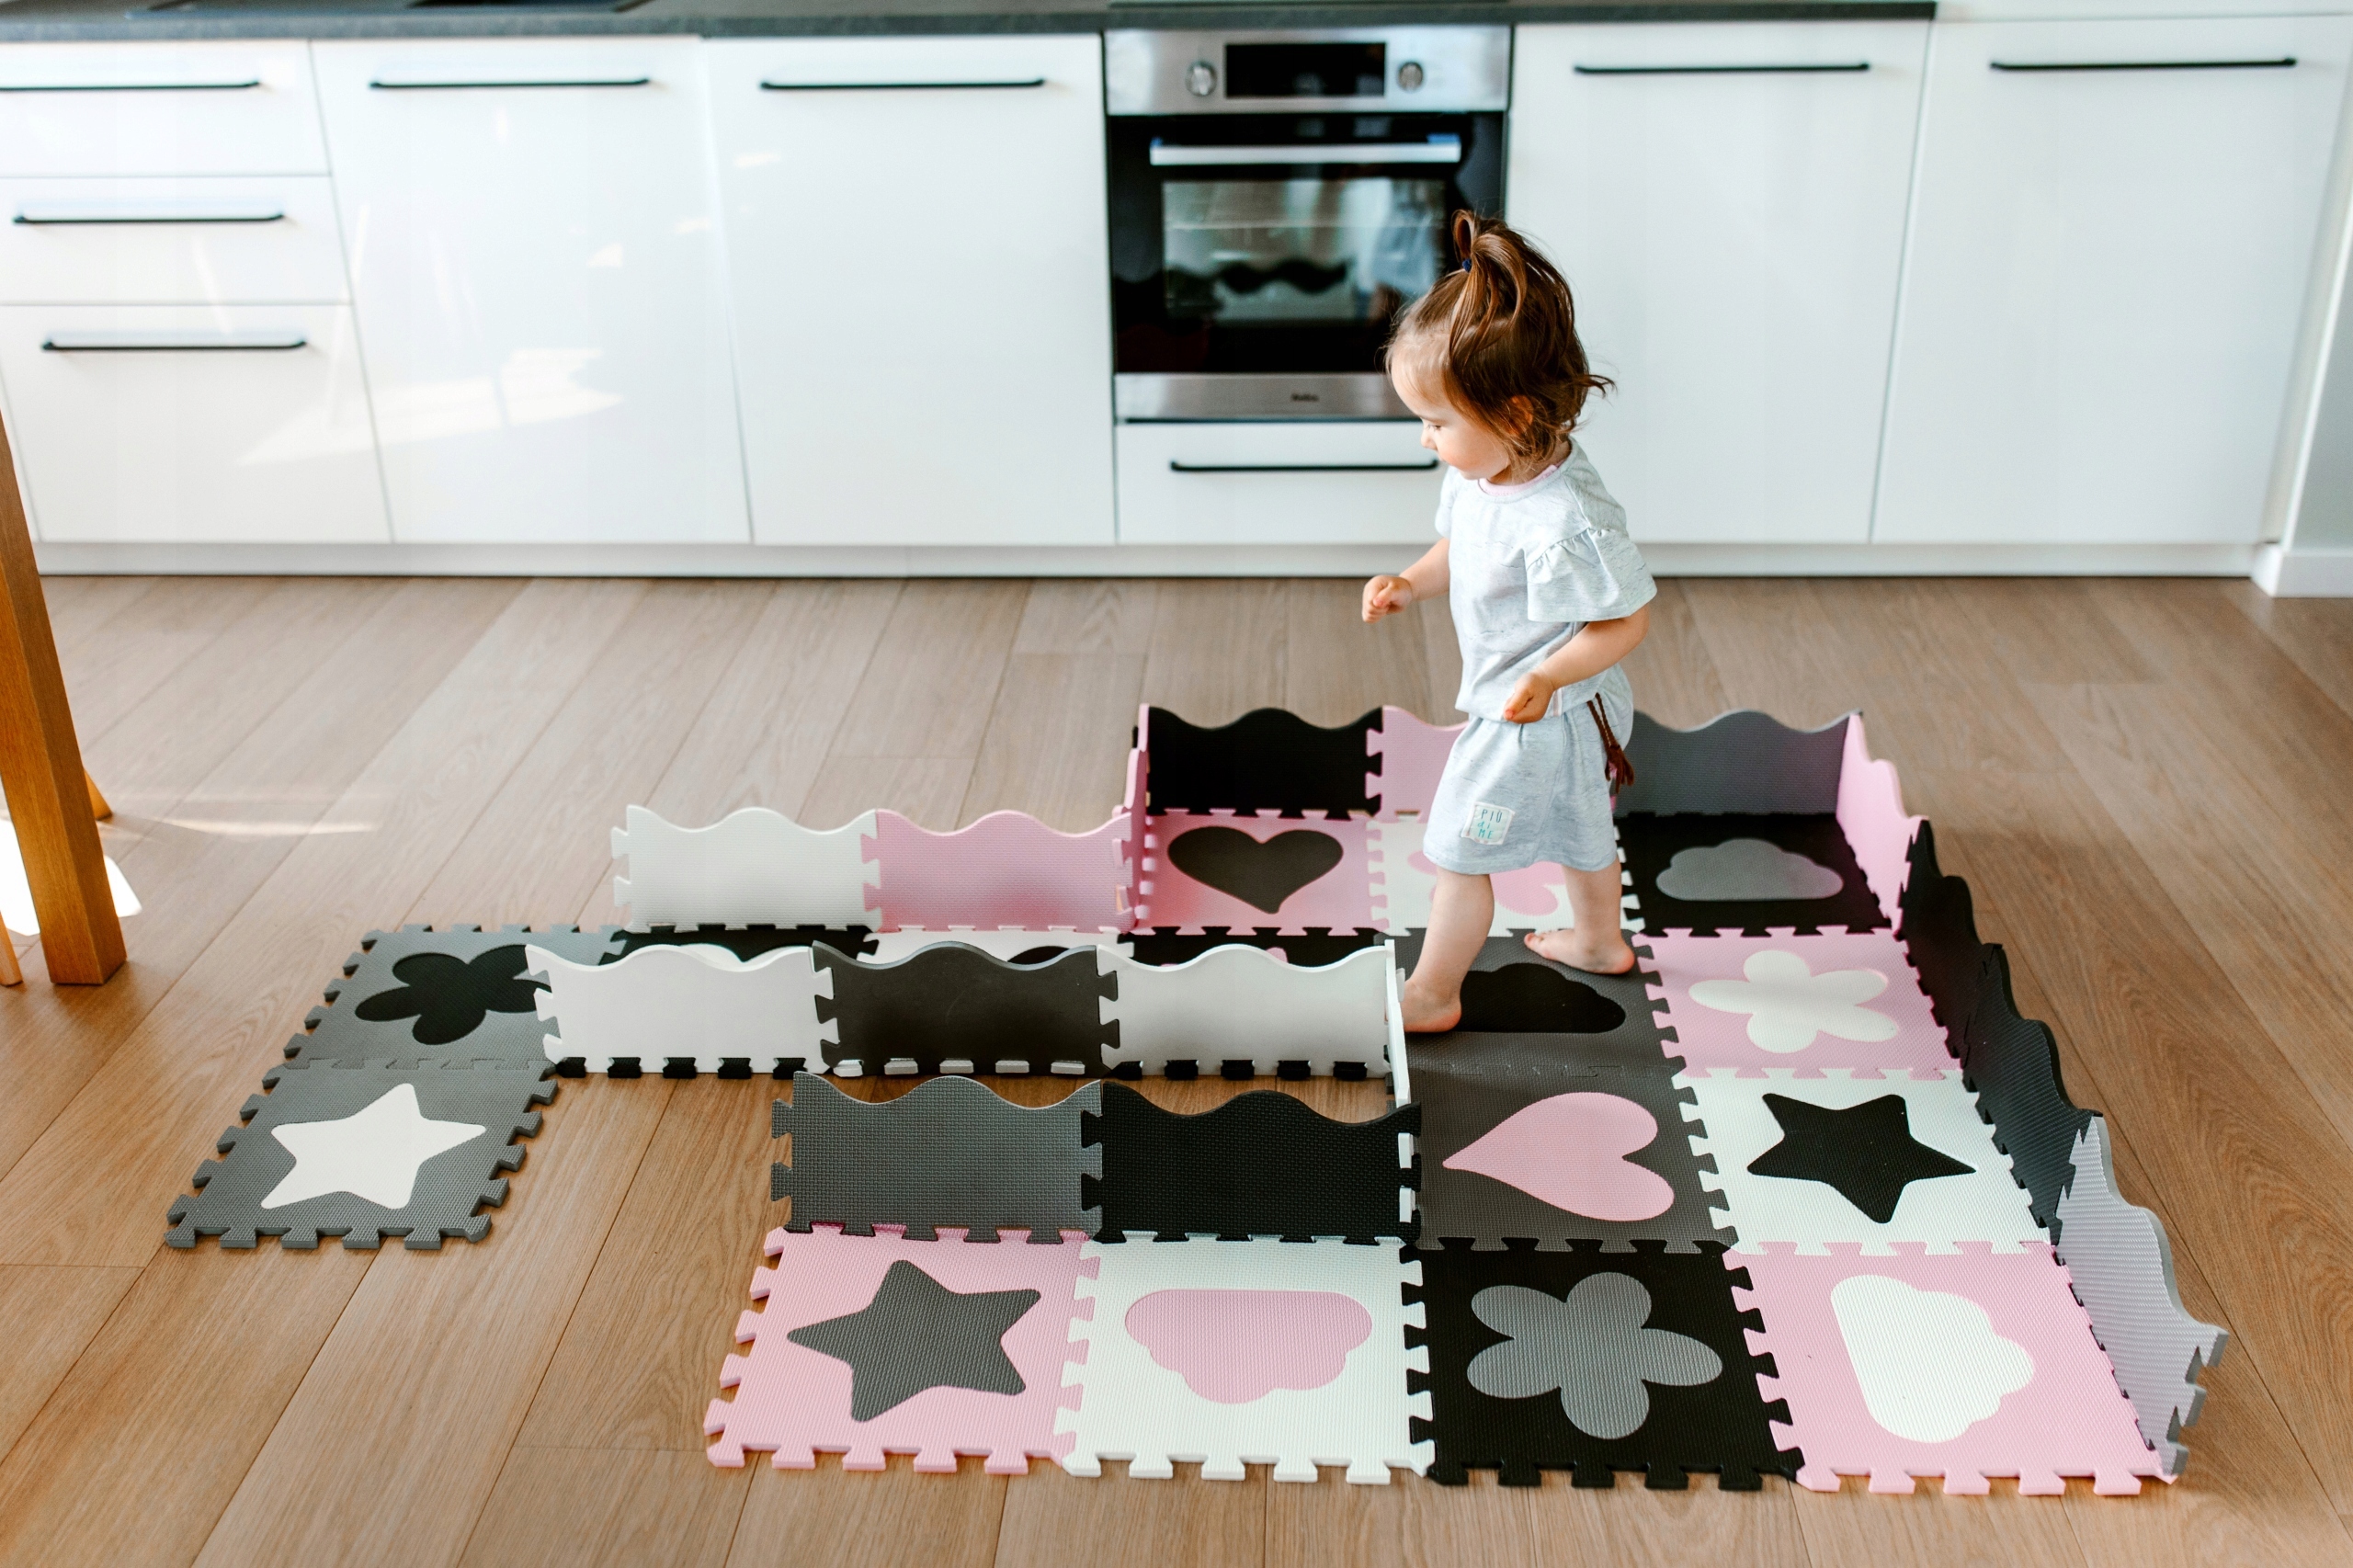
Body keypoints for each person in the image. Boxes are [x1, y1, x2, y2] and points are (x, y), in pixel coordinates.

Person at [1362, 212, 1655, 1033]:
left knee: (1459, 852)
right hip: (1550, 708)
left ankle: (1434, 994)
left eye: (1437, 422)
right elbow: (1459, 549)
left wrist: (1547, 677)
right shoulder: (1484, 470)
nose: (1426, 438)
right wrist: (1410, 583)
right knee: (1582, 826)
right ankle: (1599, 942)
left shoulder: (1563, 520)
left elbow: (1626, 621)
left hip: (1537, 716)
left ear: (1517, 416)